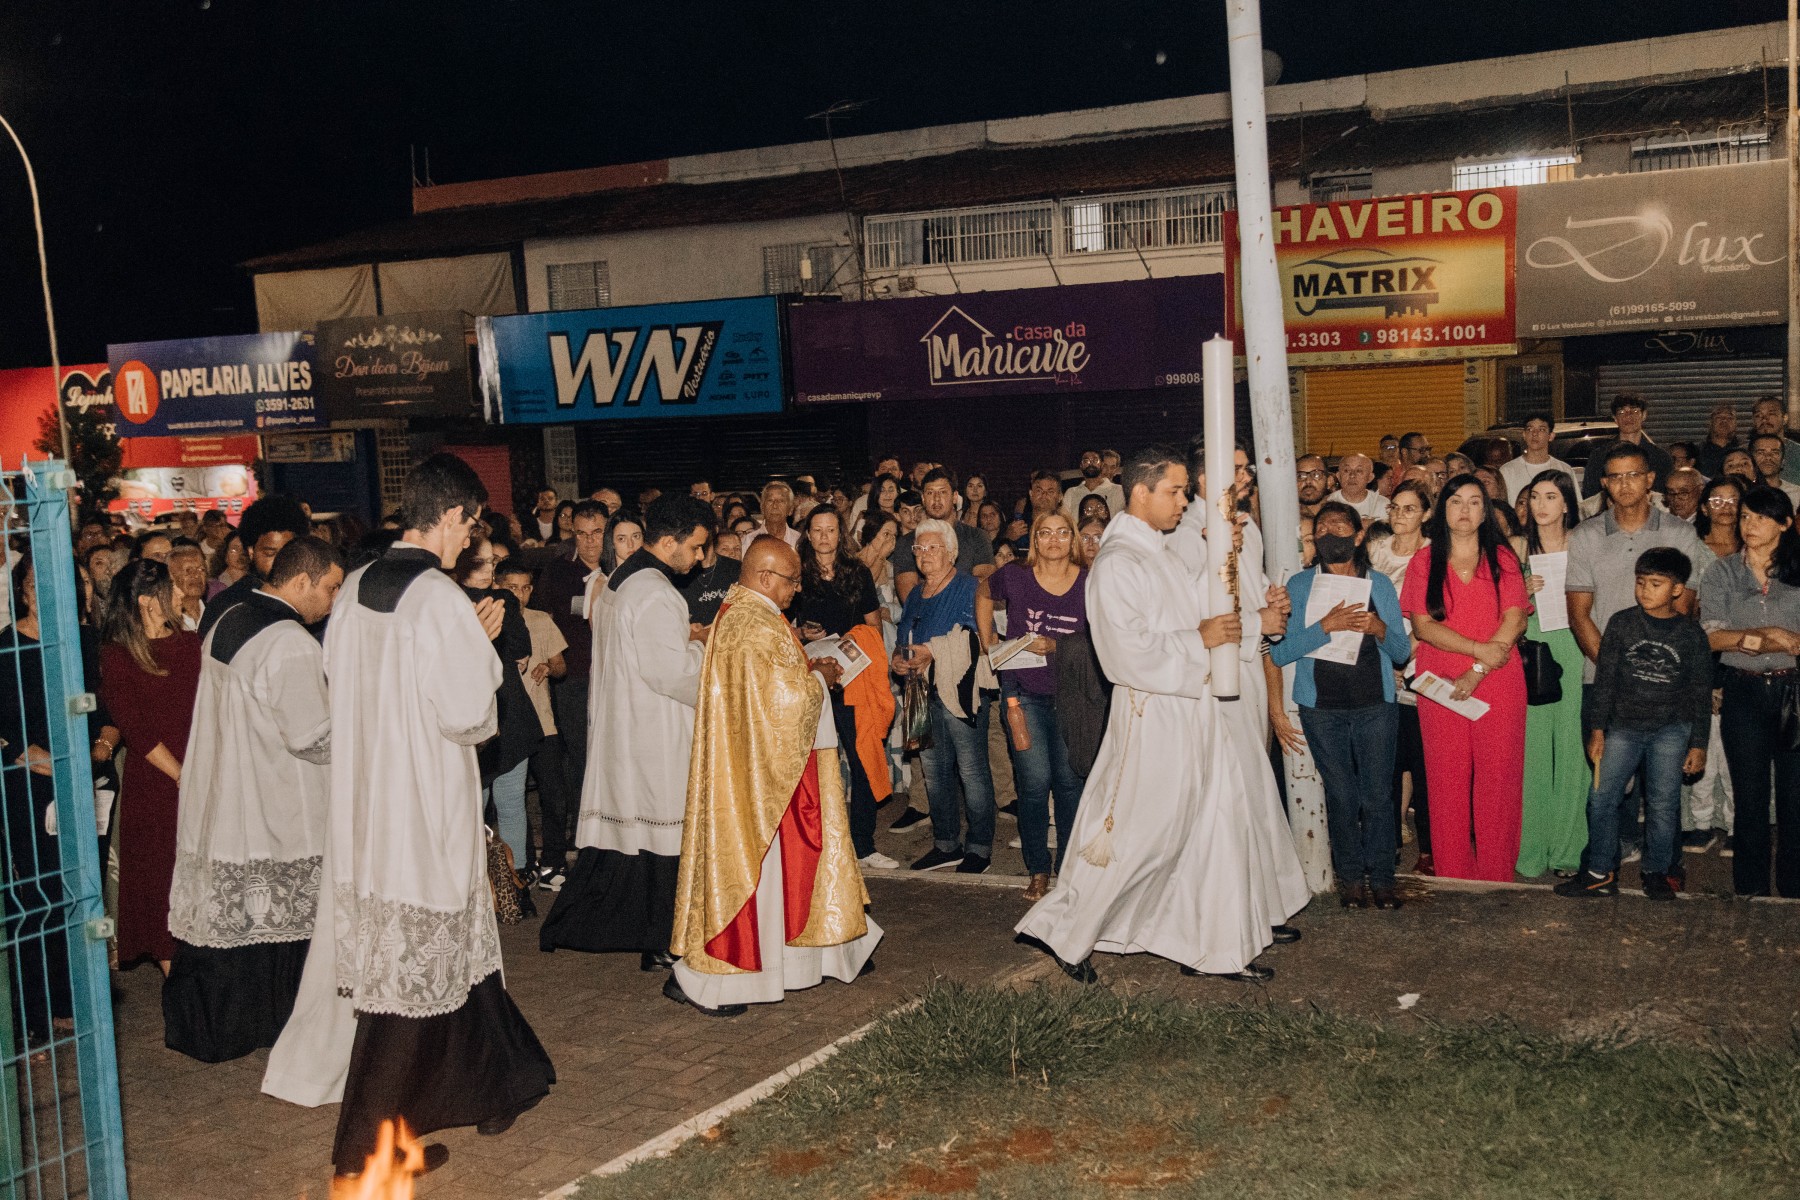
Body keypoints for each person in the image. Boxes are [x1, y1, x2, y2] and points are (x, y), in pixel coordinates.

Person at [269, 454, 553, 1174]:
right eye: (472, 524)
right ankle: (364, 1152)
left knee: (450, 957)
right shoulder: (438, 600)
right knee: (410, 978)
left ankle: (496, 1085)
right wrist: (482, 648)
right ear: (452, 514)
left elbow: (341, 680)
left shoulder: (357, 587)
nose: (472, 539)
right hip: (424, 803)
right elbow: (468, 717)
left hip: (369, 801)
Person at [1017, 445, 1300, 985]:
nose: (1183, 501)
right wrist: (1202, 639)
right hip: (1154, 716)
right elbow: (1125, 654)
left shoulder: (1159, 551)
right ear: (1141, 492)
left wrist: (1227, 568)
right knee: (1141, 838)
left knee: (1213, 830)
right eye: (1174, 491)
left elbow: (1194, 609)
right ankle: (1065, 932)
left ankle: (1213, 948)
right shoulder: (1118, 563)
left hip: (1193, 710)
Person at [664, 537, 879, 1016]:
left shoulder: (745, 613)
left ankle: (832, 949)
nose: (796, 590)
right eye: (791, 580)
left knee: (804, 858)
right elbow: (785, 704)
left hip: (762, 766)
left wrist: (808, 668)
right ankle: (710, 982)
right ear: (764, 577)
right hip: (760, 777)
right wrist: (820, 678)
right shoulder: (753, 624)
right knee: (763, 872)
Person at [163, 537, 343, 1063]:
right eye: (331, 588)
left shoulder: (228, 614)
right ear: (302, 581)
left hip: (228, 781)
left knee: (234, 919)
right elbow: (312, 735)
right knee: (277, 917)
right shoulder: (289, 641)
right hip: (274, 793)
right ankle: (276, 1024)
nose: (333, 601)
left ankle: (210, 1027)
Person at [539, 496, 712, 970]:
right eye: (696, 547)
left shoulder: (621, 579)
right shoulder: (655, 591)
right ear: (670, 541)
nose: (700, 557)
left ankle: (653, 939)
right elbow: (669, 672)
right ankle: (664, 940)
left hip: (626, 724)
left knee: (638, 843)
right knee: (664, 838)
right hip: (654, 730)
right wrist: (708, 652)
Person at [1567, 444, 1709, 862]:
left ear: (1650, 480)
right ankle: (1606, 863)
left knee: (1662, 788)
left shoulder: (1679, 534)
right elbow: (1579, 615)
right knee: (1610, 785)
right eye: (1615, 476)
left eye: (1633, 475)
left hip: (1667, 683)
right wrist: (1617, 672)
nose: (1624, 484)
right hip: (1602, 677)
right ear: (1604, 484)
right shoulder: (1586, 535)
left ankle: (1662, 867)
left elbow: (1683, 611)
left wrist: (1647, 673)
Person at [1271, 502, 1412, 907]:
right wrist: (1325, 627)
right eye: (1322, 528)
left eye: (1339, 526)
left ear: (1358, 534)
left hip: (1375, 704)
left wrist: (1379, 628)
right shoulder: (1300, 585)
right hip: (1322, 708)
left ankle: (1382, 878)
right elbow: (1280, 653)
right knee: (1341, 795)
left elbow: (1401, 651)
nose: (1330, 533)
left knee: (1378, 796)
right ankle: (1350, 878)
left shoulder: (1378, 584)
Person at [1557, 548, 1712, 901]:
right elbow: (1605, 681)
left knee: (1663, 805)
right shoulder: (1622, 623)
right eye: (1641, 582)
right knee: (1601, 799)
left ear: (1677, 589)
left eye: (1655, 584)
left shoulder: (1691, 635)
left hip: (1670, 731)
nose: (1644, 591)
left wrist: (1698, 744)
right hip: (1623, 728)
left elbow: (1700, 694)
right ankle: (1599, 872)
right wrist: (1598, 730)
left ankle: (1656, 872)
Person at [1400, 476, 1529, 882]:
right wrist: (1476, 650)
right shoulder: (1424, 561)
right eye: (1456, 501)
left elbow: (1515, 618)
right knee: (1446, 780)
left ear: (1485, 511)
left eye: (1475, 502)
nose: (1465, 510)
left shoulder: (1502, 557)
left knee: (1499, 779)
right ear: (1442, 510)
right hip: (1441, 683)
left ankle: (1496, 874)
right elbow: (1423, 626)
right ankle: (1453, 872)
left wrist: (1478, 669)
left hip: (1499, 678)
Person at [976, 510, 1089, 900]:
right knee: (1035, 784)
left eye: (1062, 532)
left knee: (1070, 785)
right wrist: (988, 641)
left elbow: (1103, 638)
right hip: (1023, 693)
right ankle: (1038, 869)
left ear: (1072, 538)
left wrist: (1057, 645)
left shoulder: (1089, 580)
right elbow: (983, 593)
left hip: (1074, 697)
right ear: (1035, 540)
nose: (1054, 540)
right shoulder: (1015, 576)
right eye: (1045, 533)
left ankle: (1068, 870)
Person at [98, 557, 202, 973]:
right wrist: (181, 775)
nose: (180, 592)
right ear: (146, 601)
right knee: (161, 885)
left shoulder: (190, 645)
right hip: (157, 784)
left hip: (198, 773)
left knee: (198, 880)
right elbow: (136, 729)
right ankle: (177, 988)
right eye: (169, 587)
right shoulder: (117, 656)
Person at [1699, 484, 1800, 897]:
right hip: (1743, 692)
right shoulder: (1721, 572)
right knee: (1750, 799)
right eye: (1745, 516)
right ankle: (1751, 893)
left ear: (1785, 524)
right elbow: (1712, 637)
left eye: (1760, 517)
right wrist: (1773, 634)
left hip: (1794, 691)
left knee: (1795, 800)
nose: (1749, 525)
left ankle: (1793, 892)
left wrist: (1744, 638)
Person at [790, 506, 895, 871]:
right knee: (815, 765)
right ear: (808, 534)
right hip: (811, 678)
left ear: (841, 534)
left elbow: (874, 625)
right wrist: (803, 634)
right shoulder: (796, 573)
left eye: (831, 530)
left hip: (853, 678)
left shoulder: (857, 572)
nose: (824, 537)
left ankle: (863, 845)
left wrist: (857, 646)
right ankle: (816, 845)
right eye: (817, 530)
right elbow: (779, 626)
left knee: (863, 757)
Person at [894, 519, 996, 873]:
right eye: (919, 549)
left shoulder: (971, 587)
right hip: (920, 692)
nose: (924, 554)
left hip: (960, 691)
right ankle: (946, 844)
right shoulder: (914, 595)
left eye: (933, 547)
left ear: (951, 552)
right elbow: (904, 638)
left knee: (972, 771)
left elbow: (981, 639)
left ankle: (979, 848)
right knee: (934, 772)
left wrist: (932, 651)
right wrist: (899, 658)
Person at [0, 555, 74, 1041]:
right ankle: (31, 1015)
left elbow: (101, 706)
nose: (40, 592)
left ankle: (68, 1000)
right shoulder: (6, 649)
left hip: (80, 783)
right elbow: (10, 728)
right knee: (34, 895)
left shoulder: (76, 641)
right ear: (20, 591)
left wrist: (97, 748)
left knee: (73, 894)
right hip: (29, 787)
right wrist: (59, 764)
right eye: (31, 584)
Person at [527, 499, 607, 880]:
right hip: (574, 677)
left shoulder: (620, 567)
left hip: (615, 677)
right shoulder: (558, 571)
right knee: (580, 757)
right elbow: (543, 616)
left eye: (597, 532)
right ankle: (583, 835)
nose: (590, 541)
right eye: (582, 533)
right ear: (572, 533)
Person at [1514, 470, 1588, 879]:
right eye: (1535, 497)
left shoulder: (1585, 543)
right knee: (1534, 751)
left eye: (1551, 496)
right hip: (1531, 650)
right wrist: (1520, 592)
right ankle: (1531, 849)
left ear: (1566, 504)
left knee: (1574, 752)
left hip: (1574, 648)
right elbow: (1496, 606)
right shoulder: (1515, 547)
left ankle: (1568, 850)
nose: (1541, 505)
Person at [453, 535, 540, 874]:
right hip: (493, 710)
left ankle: (495, 883)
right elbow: (519, 649)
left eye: (493, 561)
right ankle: (507, 882)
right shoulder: (497, 599)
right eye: (484, 562)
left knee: (489, 806)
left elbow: (520, 648)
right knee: (501, 805)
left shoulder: (454, 599)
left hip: (490, 712)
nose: (491, 568)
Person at [494, 560, 575, 891]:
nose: (520, 594)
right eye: (512, 588)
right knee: (510, 800)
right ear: (498, 586)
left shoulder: (541, 620)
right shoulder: (490, 622)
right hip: (508, 725)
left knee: (554, 796)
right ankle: (522, 865)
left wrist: (547, 667)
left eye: (525, 587)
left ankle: (553, 862)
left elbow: (561, 666)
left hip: (542, 722)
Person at [1366, 479, 1433, 869]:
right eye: (1394, 507)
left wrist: (1404, 656)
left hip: (1421, 662)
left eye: (1410, 508)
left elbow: (1436, 614)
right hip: (1378, 662)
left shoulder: (1434, 553)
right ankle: (1387, 842)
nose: (1399, 515)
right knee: (1385, 763)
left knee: (1424, 762)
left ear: (1426, 513)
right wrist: (1384, 659)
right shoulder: (1375, 552)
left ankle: (1429, 848)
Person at [1683, 476, 1744, 851]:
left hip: (1747, 656)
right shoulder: (1693, 549)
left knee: (1740, 747)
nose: (1725, 507)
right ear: (1704, 507)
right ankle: (1700, 822)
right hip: (1702, 654)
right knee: (1704, 740)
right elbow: (1685, 612)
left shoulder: (1755, 547)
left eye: (1733, 500)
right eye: (1717, 500)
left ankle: (1739, 823)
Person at [198, 496, 313, 641]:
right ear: (251, 551)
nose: (280, 562)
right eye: (270, 554)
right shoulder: (227, 605)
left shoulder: (311, 601)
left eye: (288, 554)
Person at [893, 468, 996, 602]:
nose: (936, 499)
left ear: (954, 497)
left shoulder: (977, 536)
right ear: (923, 498)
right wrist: (964, 583)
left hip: (968, 612)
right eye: (930, 493)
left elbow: (985, 586)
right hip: (925, 613)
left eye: (942, 492)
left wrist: (930, 586)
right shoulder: (907, 542)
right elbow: (909, 597)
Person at [1581, 394, 1675, 499]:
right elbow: (1591, 496)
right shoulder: (1599, 456)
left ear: (1644, 415)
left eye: (1634, 411)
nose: (1628, 416)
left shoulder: (1661, 457)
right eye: (1621, 412)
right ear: (1615, 418)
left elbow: (1668, 497)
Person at [1499, 415, 1577, 504]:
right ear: (1524, 435)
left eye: (1541, 430)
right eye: (1530, 429)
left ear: (1551, 436)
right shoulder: (1507, 471)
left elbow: (1575, 506)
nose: (1534, 434)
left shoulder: (1564, 470)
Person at [1749, 393, 1800, 487]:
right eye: (1758, 415)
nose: (1764, 419)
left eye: (1771, 414)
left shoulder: (1797, 453)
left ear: (1785, 418)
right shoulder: (1744, 454)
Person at [1061, 450, 1124, 521]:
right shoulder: (1071, 493)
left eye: (1095, 460)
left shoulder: (1119, 491)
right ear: (1081, 466)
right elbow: (1066, 521)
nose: (1091, 464)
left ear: (1101, 464)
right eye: (1086, 461)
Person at [1326, 453, 1388, 523]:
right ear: (1338, 476)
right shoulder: (1328, 502)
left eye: (1359, 471)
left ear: (1370, 477)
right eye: (1346, 471)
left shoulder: (1383, 505)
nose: (1352, 475)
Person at [742, 480, 802, 551]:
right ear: (762, 507)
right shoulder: (749, 541)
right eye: (770, 500)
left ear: (791, 509)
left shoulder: (799, 541)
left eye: (781, 501)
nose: (775, 506)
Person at [1749, 433, 1800, 508]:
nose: (1768, 457)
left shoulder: (1797, 494)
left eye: (1775, 452)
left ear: (1783, 462)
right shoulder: (1745, 492)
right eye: (1761, 453)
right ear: (1750, 460)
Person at [1695, 403, 1742, 480]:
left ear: (1736, 424)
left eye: (1729, 418)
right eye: (1719, 417)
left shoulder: (1744, 450)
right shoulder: (1697, 452)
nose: (1724, 421)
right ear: (1710, 423)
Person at [601, 509, 645, 576]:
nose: (630, 545)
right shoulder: (602, 580)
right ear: (611, 542)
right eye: (621, 539)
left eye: (636, 536)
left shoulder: (654, 575)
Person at [1295, 455, 1329, 521]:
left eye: (1316, 475)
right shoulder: (1283, 516)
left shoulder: (1341, 516)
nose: (1308, 481)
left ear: (1329, 481)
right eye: (1300, 476)